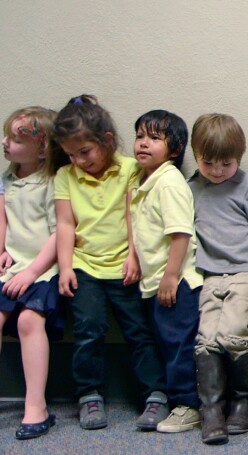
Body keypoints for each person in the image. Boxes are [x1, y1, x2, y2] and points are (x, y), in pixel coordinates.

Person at [54, 95, 168, 431]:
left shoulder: (131, 169)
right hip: (84, 266)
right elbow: (64, 224)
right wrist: (64, 266)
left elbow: (136, 217)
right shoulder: (65, 176)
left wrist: (134, 256)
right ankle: (89, 394)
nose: (78, 160)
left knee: (139, 330)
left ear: (106, 140)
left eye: (84, 152)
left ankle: (155, 392)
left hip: (124, 266)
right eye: (71, 154)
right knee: (89, 329)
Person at [130, 110, 203, 434]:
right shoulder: (142, 179)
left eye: (155, 138)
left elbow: (180, 233)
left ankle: (189, 405)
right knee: (165, 340)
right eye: (140, 136)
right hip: (154, 279)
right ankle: (177, 400)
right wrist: (133, 259)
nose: (144, 144)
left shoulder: (169, 181)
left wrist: (171, 277)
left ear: (174, 150)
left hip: (178, 281)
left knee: (179, 343)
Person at [187, 113, 248, 445]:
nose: (217, 171)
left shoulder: (246, 186)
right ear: (197, 155)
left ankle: (244, 401)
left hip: (243, 272)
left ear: (239, 158)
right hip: (209, 274)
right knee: (206, 338)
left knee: (234, 334)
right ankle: (212, 411)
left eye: (226, 164)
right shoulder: (191, 188)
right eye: (209, 162)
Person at [0, 107, 64, 439]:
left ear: (42, 149)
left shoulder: (52, 183)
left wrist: (32, 271)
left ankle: (35, 405)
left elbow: (58, 234)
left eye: (14, 138)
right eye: (6, 135)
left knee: (28, 321)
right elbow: (4, 221)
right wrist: (3, 251)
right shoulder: (7, 179)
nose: (4, 143)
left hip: (42, 270)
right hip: (12, 267)